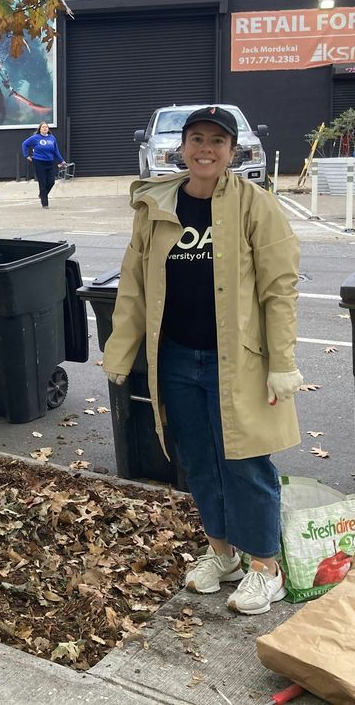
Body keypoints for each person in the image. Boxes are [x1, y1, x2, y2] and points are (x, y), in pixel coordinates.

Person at [103, 106, 304, 616]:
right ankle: (223, 555)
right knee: (196, 460)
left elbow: (280, 288)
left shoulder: (255, 205)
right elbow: (134, 286)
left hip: (238, 362)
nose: (206, 149)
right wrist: (120, 351)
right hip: (175, 359)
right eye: (197, 139)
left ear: (232, 152)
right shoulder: (157, 207)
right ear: (182, 148)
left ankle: (266, 567)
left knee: (245, 462)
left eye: (218, 140)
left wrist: (282, 362)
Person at [21, 121, 67, 207]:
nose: (45, 128)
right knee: (42, 182)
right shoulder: (35, 138)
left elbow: (56, 151)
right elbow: (24, 144)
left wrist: (61, 160)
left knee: (51, 182)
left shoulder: (52, 138)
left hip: (50, 162)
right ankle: (45, 203)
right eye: (43, 127)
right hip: (39, 162)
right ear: (40, 129)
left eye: (46, 127)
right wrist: (26, 155)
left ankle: (42, 194)